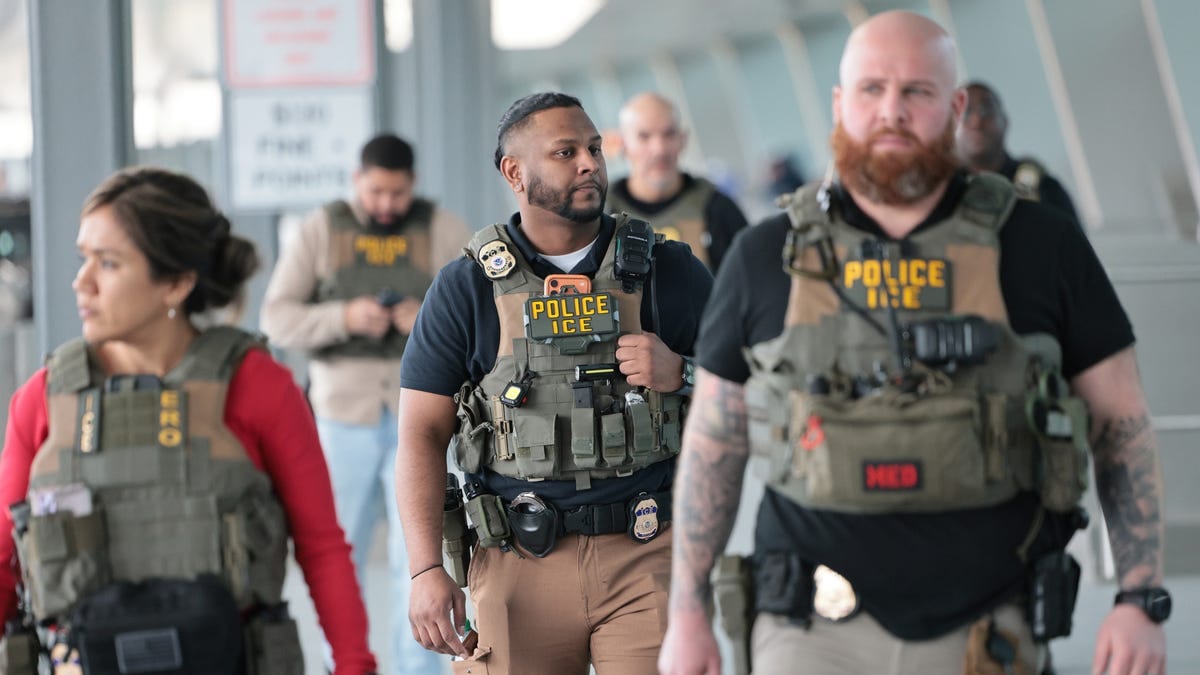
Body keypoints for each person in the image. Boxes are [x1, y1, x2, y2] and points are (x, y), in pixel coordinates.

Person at [660, 11, 1168, 675]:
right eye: (871, 90)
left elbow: (1120, 421)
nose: (891, 111)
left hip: (989, 625)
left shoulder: (1041, 245)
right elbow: (714, 443)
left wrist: (1141, 595)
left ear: (955, 106)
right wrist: (687, 612)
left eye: (916, 92)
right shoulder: (766, 254)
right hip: (809, 627)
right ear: (841, 104)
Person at [0, 167, 377, 673]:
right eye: (83, 258)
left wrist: (356, 666)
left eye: (108, 264)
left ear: (175, 284)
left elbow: (321, 546)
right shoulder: (42, 399)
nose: (81, 282)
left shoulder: (258, 387)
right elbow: (6, 560)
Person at [396, 92, 713, 675]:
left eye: (594, 147)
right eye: (566, 152)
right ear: (515, 173)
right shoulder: (466, 288)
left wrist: (682, 372)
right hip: (516, 559)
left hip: (646, 554)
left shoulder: (670, 271)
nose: (590, 162)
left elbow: (750, 391)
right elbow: (420, 432)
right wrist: (424, 571)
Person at [260, 133, 468, 673]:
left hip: (421, 416)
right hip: (341, 414)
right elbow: (275, 317)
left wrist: (423, 316)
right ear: (357, 180)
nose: (385, 205)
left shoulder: (442, 229)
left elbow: (481, 312)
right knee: (336, 552)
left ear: (413, 186)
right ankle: (344, 662)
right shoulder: (322, 230)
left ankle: (418, 667)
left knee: (420, 557)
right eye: (375, 192)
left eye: (397, 194)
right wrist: (344, 318)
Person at [607, 92, 749, 273]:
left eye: (669, 134)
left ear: (683, 140)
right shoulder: (603, 213)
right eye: (644, 136)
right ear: (623, 144)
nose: (659, 149)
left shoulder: (718, 208)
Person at [957, 80, 1081, 223]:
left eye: (986, 110)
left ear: (1005, 121)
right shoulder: (939, 193)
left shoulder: (1043, 187)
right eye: (965, 113)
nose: (976, 121)